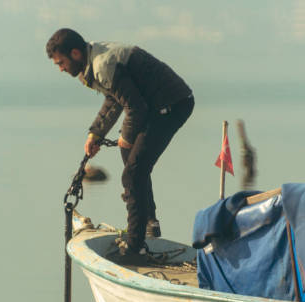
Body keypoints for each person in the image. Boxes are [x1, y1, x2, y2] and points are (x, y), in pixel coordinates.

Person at [46, 28, 194, 264]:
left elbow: (135, 108)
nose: (61, 68)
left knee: (133, 172)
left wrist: (126, 135)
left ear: (75, 54)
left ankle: (135, 248)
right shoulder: (92, 60)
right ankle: (147, 223)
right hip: (154, 106)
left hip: (172, 104)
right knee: (132, 159)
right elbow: (115, 99)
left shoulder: (102, 64)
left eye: (61, 63)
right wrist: (95, 133)